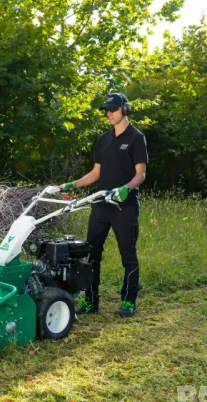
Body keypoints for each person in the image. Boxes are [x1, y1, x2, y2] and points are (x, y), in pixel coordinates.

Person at [60, 93, 148, 317]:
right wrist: (72, 184)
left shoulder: (136, 138)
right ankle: (91, 301)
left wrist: (126, 188)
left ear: (124, 109)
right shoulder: (103, 140)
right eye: (106, 111)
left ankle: (129, 301)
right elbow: (96, 173)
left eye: (112, 109)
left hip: (124, 207)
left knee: (127, 255)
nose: (108, 114)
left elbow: (141, 174)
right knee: (92, 254)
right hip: (100, 205)